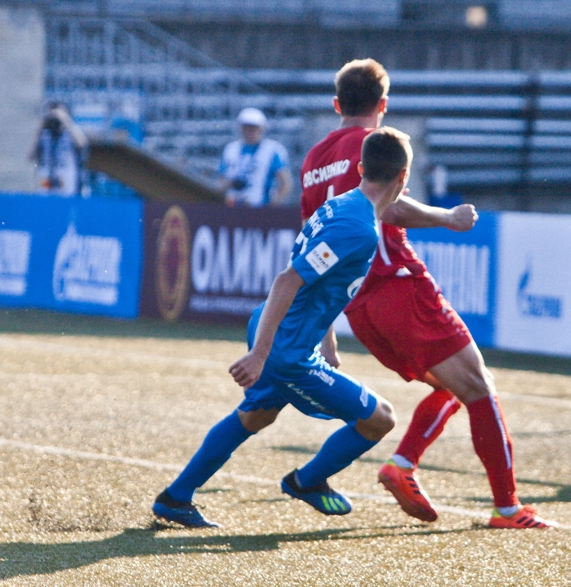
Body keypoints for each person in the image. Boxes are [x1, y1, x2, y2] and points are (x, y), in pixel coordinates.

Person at [300, 58, 554, 529]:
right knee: (479, 388)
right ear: (383, 105)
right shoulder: (372, 144)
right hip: (397, 286)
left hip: (358, 304)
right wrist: (447, 218)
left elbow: (312, 236)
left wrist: (324, 325)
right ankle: (508, 509)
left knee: (454, 387)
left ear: (337, 104)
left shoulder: (314, 160)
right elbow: (387, 205)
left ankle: (403, 465)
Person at [152, 128, 413, 528]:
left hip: (277, 331)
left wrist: (326, 340)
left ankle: (176, 497)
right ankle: (307, 481)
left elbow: (315, 282)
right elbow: (288, 280)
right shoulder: (358, 229)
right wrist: (261, 353)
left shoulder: (342, 205)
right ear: (403, 177)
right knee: (380, 419)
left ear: (361, 168)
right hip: (285, 349)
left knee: (257, 415)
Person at [219, 107, 293, 206]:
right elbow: (221, 180)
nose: (250, 131)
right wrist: (230, 184)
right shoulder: (230, 149)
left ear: (261, 129)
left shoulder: (273, 150)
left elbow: (285, 182)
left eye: (254, 128)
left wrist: (273, 204)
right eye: (246, 128)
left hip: (261, 209)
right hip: (232, 206)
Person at [31, 102, 88, 196]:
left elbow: (82, 144)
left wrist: (64, 119)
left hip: (66, 175)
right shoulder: (44, 135)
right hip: (47, 176)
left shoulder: (71, 133)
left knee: (64, 202)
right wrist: (41, 126)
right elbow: (30, 156)